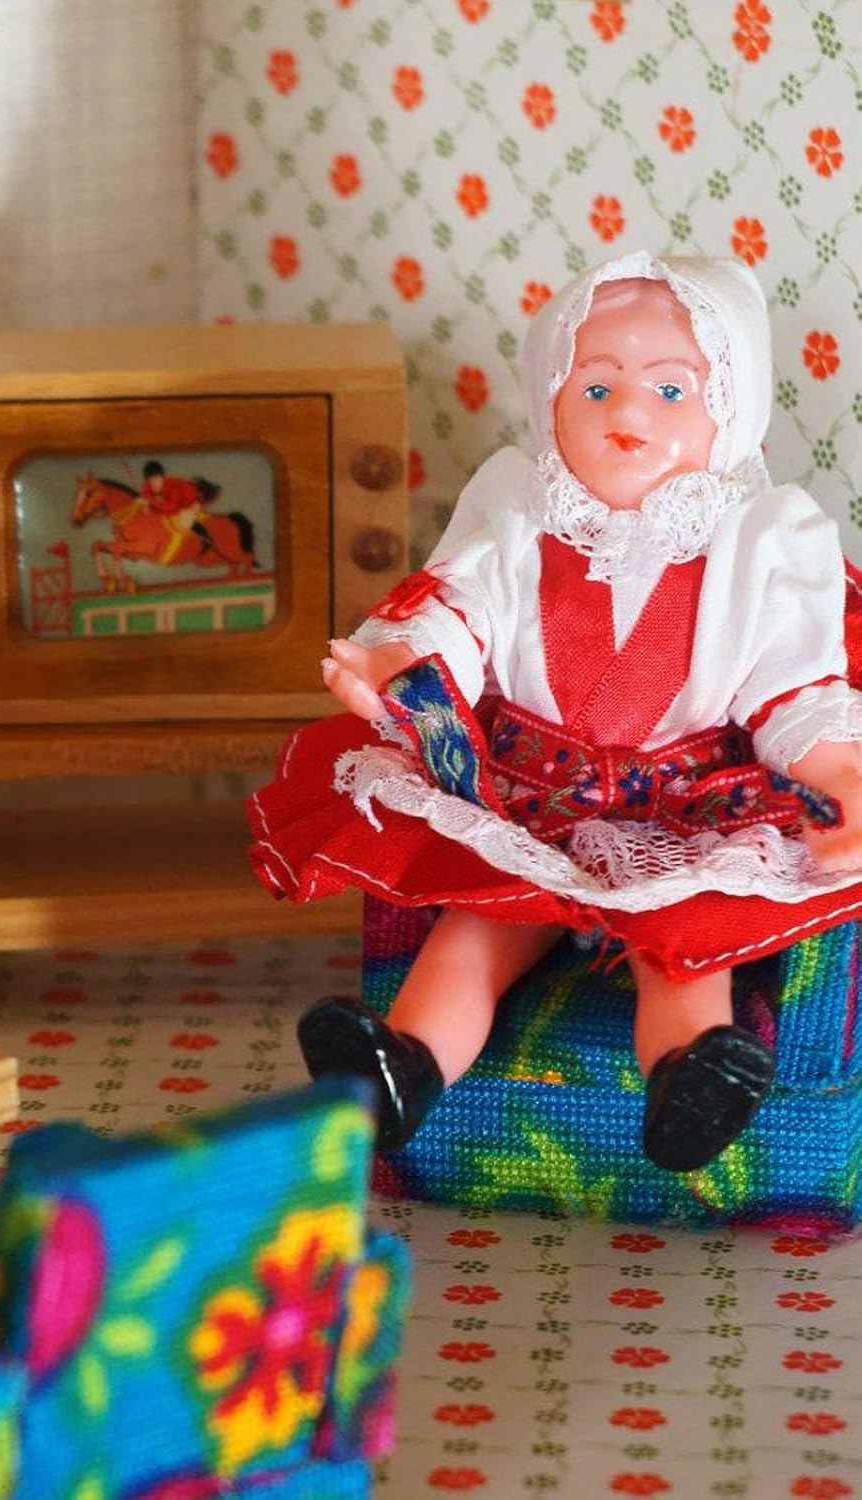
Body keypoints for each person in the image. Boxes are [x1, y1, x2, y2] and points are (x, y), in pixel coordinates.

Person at [248, 252, 862, 1172]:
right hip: (530, 793)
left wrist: (838, 774)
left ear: (731, 409)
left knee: (680, 949)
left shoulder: (761, 542)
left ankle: (692, 1080)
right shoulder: (519, 514)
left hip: (683, 808)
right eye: (596, 386)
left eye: (670, 390)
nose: (627, 415)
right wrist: (400, 663)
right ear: (551, 401)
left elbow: (795, 690)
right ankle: (400, 1069)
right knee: (478, 929)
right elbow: (459, 613)